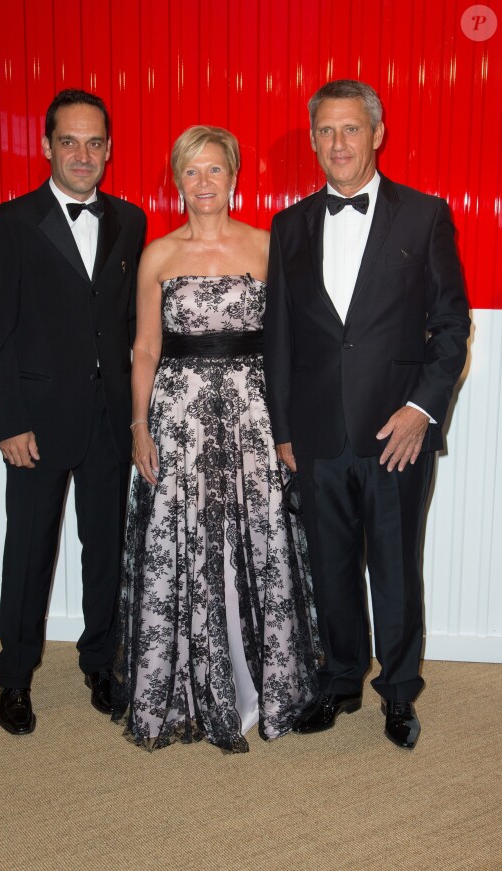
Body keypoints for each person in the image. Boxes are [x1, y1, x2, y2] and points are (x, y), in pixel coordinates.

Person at [264, 80, 470, 749]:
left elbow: (450, 326)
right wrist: (285, 430)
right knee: (329, 567)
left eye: (350, 129)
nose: (337, 143)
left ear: (377, 134)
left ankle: (399, 691)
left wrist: (422, 409)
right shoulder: (289, 225)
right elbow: (281, 336)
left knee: (395, 566)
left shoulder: (426, 216)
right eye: (325, 131)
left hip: (396, 435)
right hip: (317, 434)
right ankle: (342, 678)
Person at [112, 125, 319, 752]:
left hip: (252, 416)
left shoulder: (265, 246)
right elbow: (145, 348)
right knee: (185, 541)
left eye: (215, 170)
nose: (203, 183)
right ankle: (189, 686)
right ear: (178, 179)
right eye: (191, 171)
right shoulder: (158, 254)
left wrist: (287, 425)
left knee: (254, 537)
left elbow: (287, 344)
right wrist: (139, 425)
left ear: (233, 177)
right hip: (178, 419)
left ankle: (259, 685)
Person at [0, 89, 146, 735]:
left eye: (94, 141)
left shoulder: (130, 220)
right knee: (29, 553)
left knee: (106, 550)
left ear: (108, 149)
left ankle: (101, 663)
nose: (82, 153)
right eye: (69, 140)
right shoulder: (11, 221)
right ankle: (14, 678)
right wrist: (9, 422)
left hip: (108, 419)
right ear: (46, 146)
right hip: (38, 424)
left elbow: (130, 325)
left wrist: (138, 416)